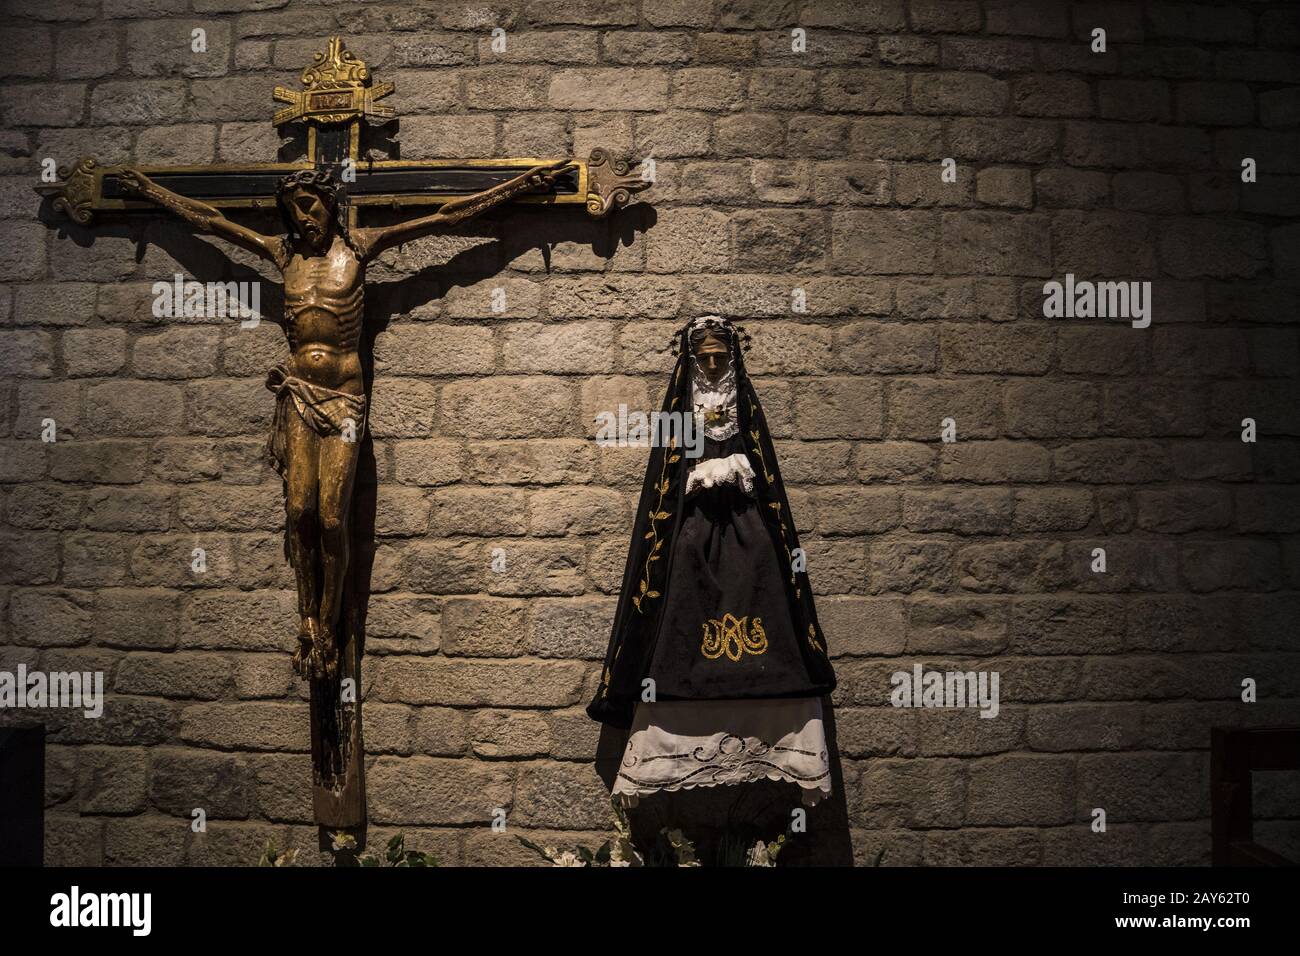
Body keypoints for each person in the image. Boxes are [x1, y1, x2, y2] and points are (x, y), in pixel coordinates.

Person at [588, 316, 838, 805]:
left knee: (764, 564)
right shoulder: (680, 412)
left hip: (747, 527)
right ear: (690, 360)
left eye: (719, 356)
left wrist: (735, 467)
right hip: (693, 528)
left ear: (732, 357)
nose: (711, 363)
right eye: (703, 356)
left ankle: (769, 679)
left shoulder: (743, 406)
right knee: (680, 567)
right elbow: (666, 476)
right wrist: (696, 476)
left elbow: (763, 472)